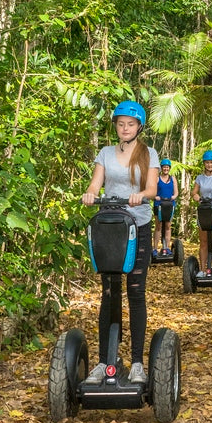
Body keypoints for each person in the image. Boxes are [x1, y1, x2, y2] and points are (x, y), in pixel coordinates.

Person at [82, 100, 159, 385]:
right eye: (120, 123)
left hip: (137, 225)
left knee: (135, 291)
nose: (125, 128)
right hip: (110, 227)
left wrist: (142, 195)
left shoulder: (148, 152)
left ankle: (138, 362)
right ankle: (105, 361)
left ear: (139, 127)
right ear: (115, 125)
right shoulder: (105, 153)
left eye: (131, 124)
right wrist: (90, 193)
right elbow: (95, 183)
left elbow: (151, 187)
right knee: (110, 293)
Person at [153, 158, 179, 254]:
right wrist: (155, 197)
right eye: (164, 167)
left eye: (167, 167)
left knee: (168, 226)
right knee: (158, 226)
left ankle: (166, 248)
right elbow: (153, 192)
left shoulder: (173, 179)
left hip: (169, 205)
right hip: (158, 205)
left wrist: (173, 197)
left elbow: (176, 192)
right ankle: (155, 248)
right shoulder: (157, 179)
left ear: (169, 168)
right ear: (161, 168)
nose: (166, 169)